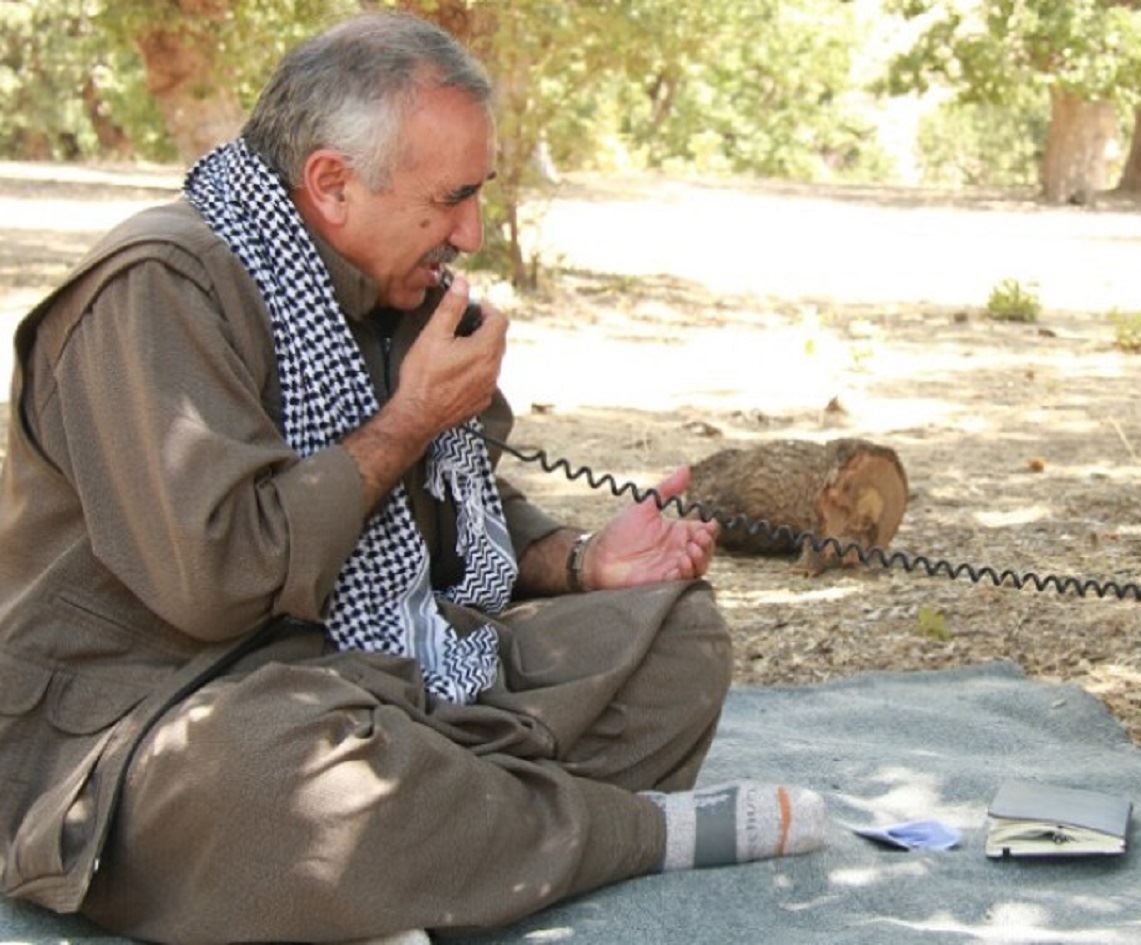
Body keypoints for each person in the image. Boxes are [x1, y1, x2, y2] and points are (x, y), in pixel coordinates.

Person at [0, 12, 824, 944]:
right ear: (331, 184)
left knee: (678, 641)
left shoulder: (394, 289)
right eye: (449, 199)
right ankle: (619, 834)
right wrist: (406, 420)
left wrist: (579, 561)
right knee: (285, 782)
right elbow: (219, 583)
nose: (470, 232)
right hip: (163, 708)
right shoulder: (157, 290)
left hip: (393, 679)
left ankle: (434, 845)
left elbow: (456, 505)